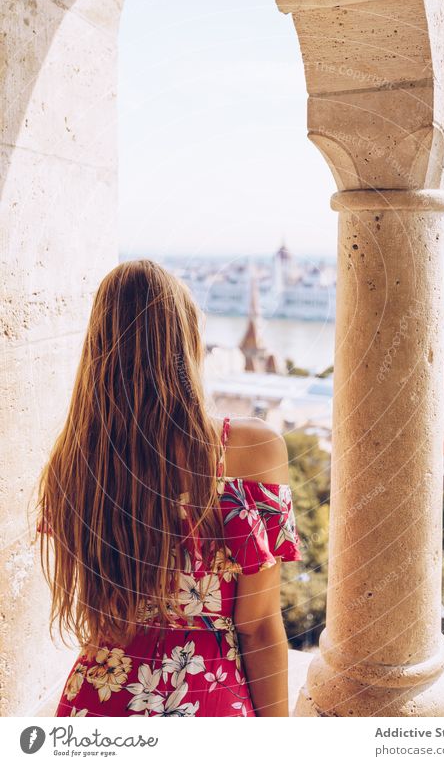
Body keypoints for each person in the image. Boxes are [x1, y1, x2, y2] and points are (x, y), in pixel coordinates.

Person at [36, 259, 301, 717]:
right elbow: (257, 628)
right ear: (187, 345)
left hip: (98, 703)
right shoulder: (251, 449)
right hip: (206, 703)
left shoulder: (74, 462)